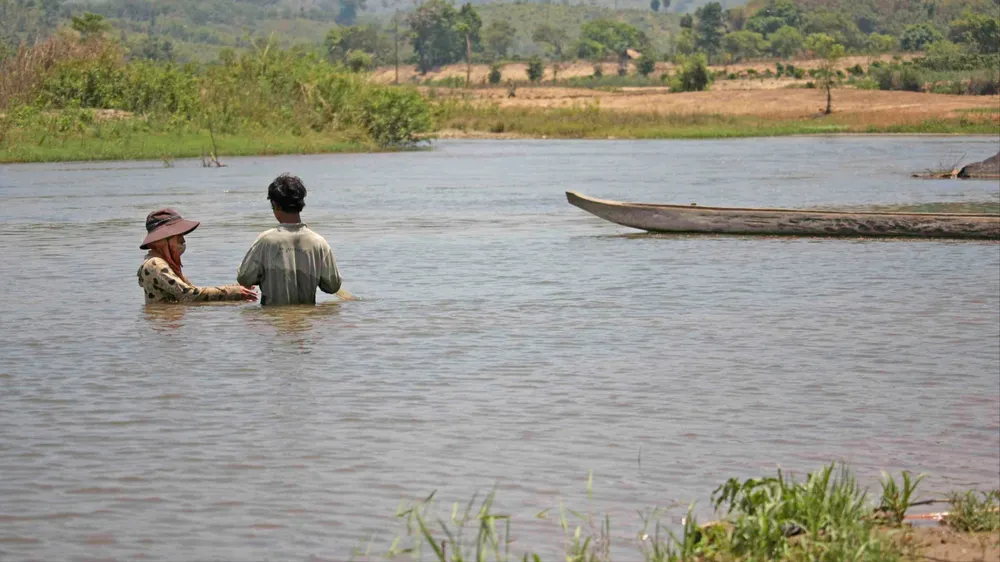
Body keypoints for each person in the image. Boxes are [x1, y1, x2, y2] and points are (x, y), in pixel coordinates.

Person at [237, 174, 347, 306]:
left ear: (275, 204)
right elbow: (332, 286)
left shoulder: (265, 241)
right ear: (300, 204)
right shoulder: (319, 243)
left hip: (273, 320)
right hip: (307, 323)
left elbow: (244, 279)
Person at [137, 208, 258, 304]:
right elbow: (189, 295)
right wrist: (233, 292)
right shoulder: (155, 264)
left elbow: (192, 291)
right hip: (163, 327)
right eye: (178, 235)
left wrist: (239, 289)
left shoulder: (163, 263)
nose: (183, 240)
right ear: (163, 239)